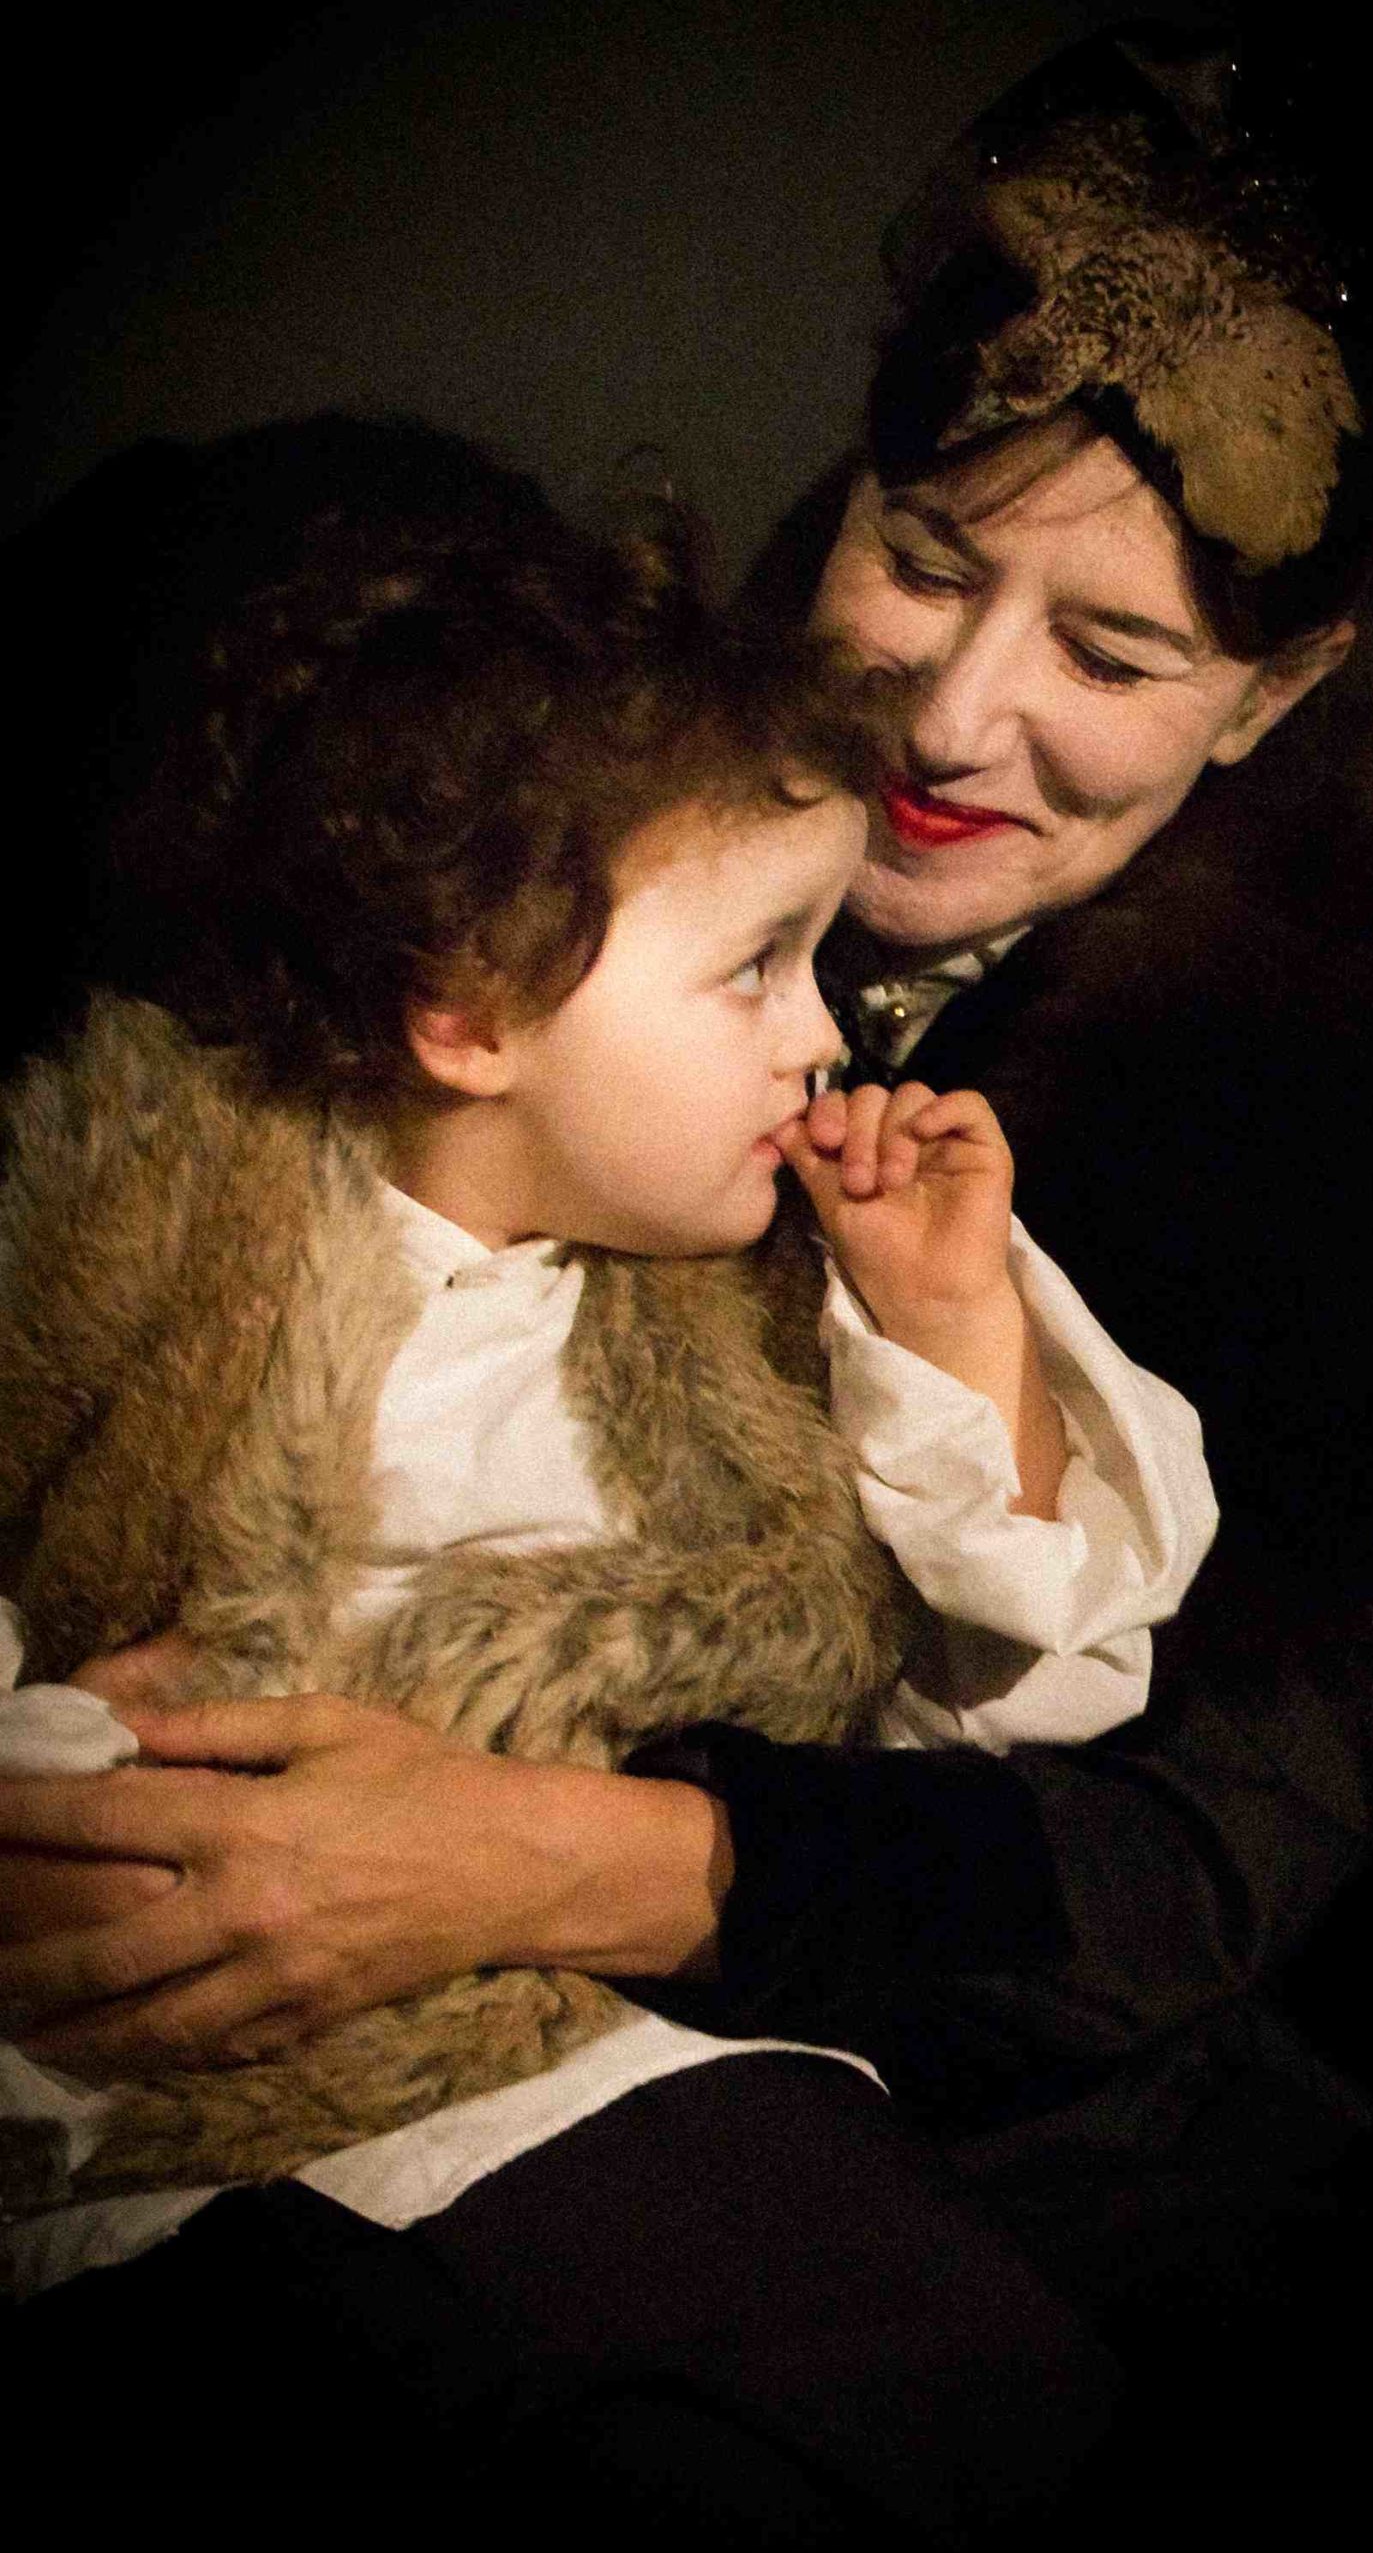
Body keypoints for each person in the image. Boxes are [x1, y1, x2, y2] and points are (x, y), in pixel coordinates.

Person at [1, 21, 1373, 2518]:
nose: (950, 714)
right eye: (925, 561)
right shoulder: (582, 788)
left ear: (1269, 694)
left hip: (960, 2109)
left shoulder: (1372, 1131)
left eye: (1111, 658)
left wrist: (536, 1847)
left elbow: (1167, 1853)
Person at [1, 446, 1217, 2532]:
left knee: (901, 2389)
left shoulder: (769, 1308)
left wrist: (956, 1332)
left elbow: (1021, 1696)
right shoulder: (168, 1193)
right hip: (133, 2101)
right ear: (468, 1010)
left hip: (563, 2079)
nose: (822, 1039)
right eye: (757, 965)